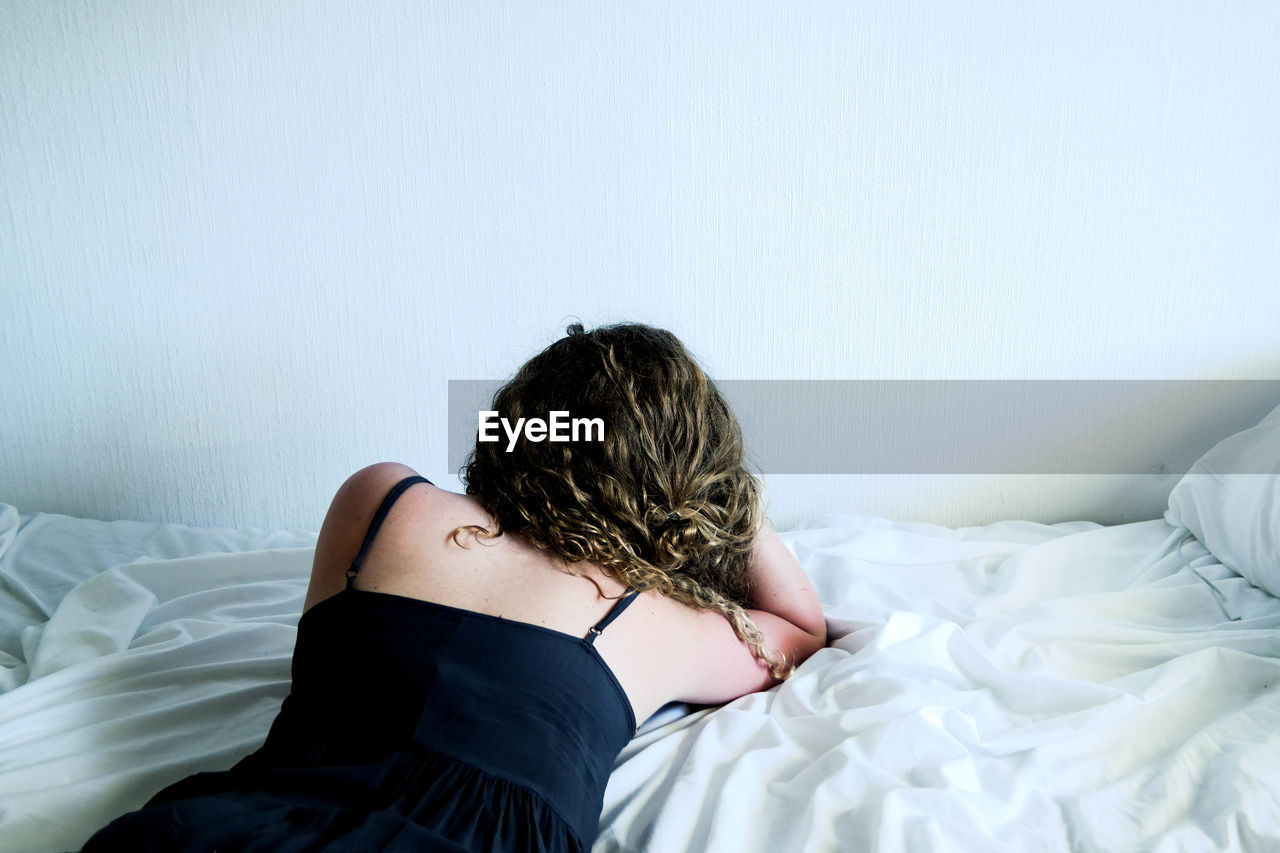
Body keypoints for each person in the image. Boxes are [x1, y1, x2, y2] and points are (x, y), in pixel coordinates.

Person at [82, 321, 828, 852]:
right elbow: (799, 625)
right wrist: (721, 495)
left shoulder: (382, 502)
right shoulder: (647, 616)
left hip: (238, 824)